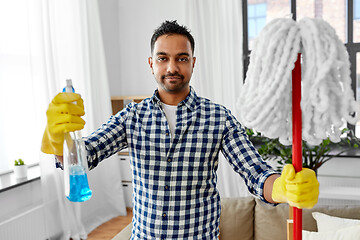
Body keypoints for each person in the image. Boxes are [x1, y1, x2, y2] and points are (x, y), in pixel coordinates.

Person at [41, 20, 319, 239]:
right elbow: (84, 157)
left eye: (182, 58)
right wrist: (57, 139)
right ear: (151, 64)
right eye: (162, 58)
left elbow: (255, 173)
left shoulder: (218, 118)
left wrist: (283, 187)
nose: (172, 67)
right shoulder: (131, 117)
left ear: (193, 63)